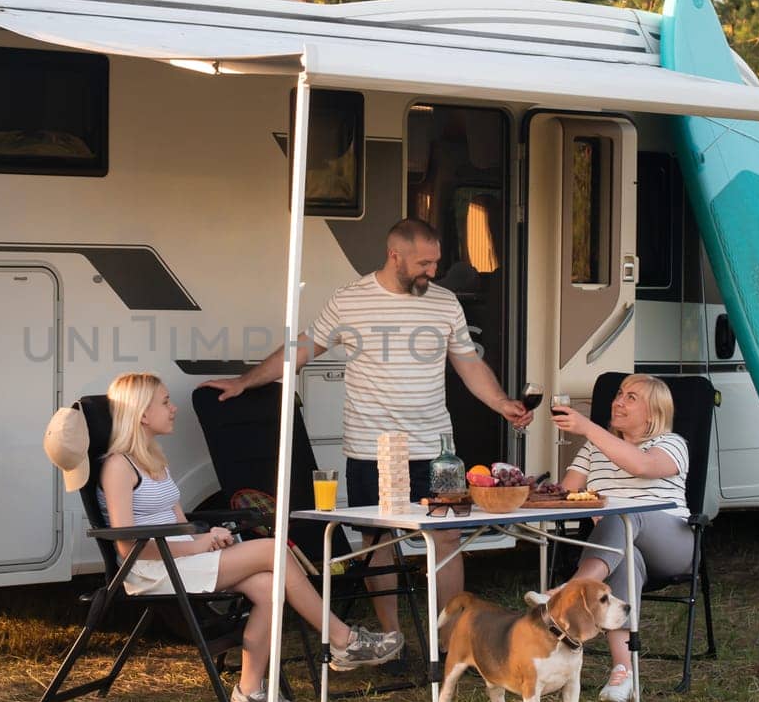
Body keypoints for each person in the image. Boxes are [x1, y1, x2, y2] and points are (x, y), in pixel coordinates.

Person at [205, 218, 533, 635]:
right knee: (379, 544)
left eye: (435, 262)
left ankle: (451, 646)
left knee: (447, 539)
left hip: (437, 449)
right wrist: (246, 380)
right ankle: (391, 637)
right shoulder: (350, 301)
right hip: (371, 449)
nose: (432, 271)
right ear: (394, 254)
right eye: (423, 263)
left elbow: (468, 364)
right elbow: (301, 349)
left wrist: (501, 402)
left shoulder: (446, 302)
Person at [98, 372, 405, 702]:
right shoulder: (118, 467)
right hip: (152, 569)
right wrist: (198, 545)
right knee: (273, 549)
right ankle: (342, 639)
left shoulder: (154, 460)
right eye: (165, 401)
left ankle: (250, 692)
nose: (174, 408)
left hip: (181, 559)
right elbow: (127, 546)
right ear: (141, 413)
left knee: (270, 587)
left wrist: (208, 535)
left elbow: (180, 524)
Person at [551, 374, 692, 702]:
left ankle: (568, 594)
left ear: (653, 412)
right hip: (619, 548)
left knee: (623, 515)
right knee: (624, 556)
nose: (618, 401)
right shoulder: (593, 448)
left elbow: (642, 466)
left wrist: (587, 428)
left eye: (631, 398)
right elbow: (564, 496)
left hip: (671, 544)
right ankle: (622, 672)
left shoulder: (671, 443)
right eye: (619, 394)